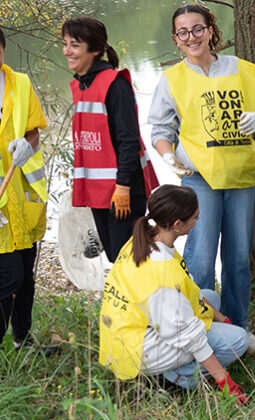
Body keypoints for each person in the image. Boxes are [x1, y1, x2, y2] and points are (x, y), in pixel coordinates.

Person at [149, 4, 255, 329]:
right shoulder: (172, 78)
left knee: (238, 259)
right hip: (199, 179)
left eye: (198, 29)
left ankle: (235, 329)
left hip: (242, 176)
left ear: (211, 30)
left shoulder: (240, 68)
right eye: (183, 32)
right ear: (176, 39)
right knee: (200, 259)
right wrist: (168, 156)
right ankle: (194, 329)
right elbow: (161, 130)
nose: (192, 37)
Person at [98, 184, 250, 404]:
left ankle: (174, 368)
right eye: (195, 217)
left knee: (210, 296)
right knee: (238, 341)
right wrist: (223, 380)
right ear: (178, 224)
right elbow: (190, 337)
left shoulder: (143, 241)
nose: (198, 220)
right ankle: (176, 379)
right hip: (138, 352)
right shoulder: (161, 275)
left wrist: (221, 319)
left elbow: (190, 290)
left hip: (124, 334)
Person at [64, 17, 159, 263]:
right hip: (99, 192)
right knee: (115, 259)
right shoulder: (79, 85)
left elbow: (128, 141)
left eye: (74, 45)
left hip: (123, 189)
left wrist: (124, 187)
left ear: (94, 50)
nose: (66, 51)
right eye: (65, 44)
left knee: (128, 260)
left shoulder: (114, 84)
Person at [0, 27, 55, 353]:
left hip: (22, 199)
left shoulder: (19, 84)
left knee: (26, 277)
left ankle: (23, 339)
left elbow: (33, 132)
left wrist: (27, 145)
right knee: (8, 278)